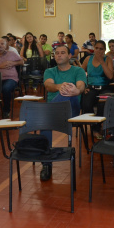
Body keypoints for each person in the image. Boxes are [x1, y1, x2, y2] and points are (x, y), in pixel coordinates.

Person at [41, 44, 87, 180]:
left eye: (62, 53)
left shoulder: (78, 70)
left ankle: (46, 116)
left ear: (69, 56)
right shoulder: (49, 71)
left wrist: (75, 91)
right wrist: (60, 86)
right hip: (53, 111)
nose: (59, 55)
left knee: (66, 95)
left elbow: (81, 86)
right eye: (57, 53)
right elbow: (48, 85)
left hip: (71, 110)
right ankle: (46, 164)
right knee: (45, 124)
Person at [81, 40, 114, 137]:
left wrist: (101, 61)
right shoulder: (88, 59)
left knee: (102, 104)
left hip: (105, 88)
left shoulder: (108, 59)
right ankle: (94, 126)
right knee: (86, 103)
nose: (99, 51)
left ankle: (97, 127)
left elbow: (110, 76)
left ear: (104, 50)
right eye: (97, 48)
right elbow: (80, 74)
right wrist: (83, 86)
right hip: (91, 87)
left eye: (101, 49)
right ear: (94, 49)